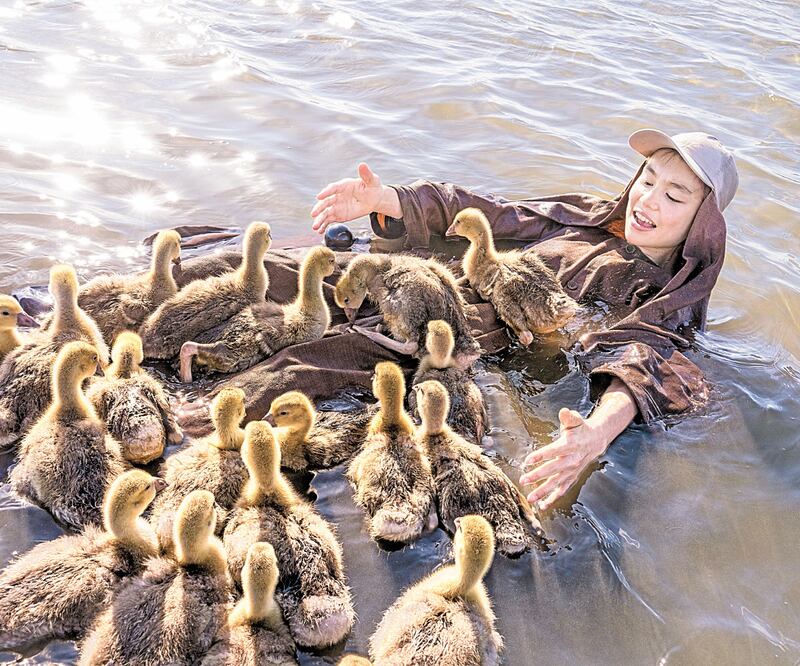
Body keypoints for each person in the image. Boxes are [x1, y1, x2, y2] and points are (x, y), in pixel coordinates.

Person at [309, 129, 738, 511]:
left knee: (307, 367)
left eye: (674, 196)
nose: (648, 200)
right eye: (647, 180)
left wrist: (596, 433)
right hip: (431, 293)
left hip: (465, 343)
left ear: (702, 223)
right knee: (286, 280)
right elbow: (494, 213)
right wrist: (390, 200)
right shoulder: (583, 219)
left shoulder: (666, 297)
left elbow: (647, 359)